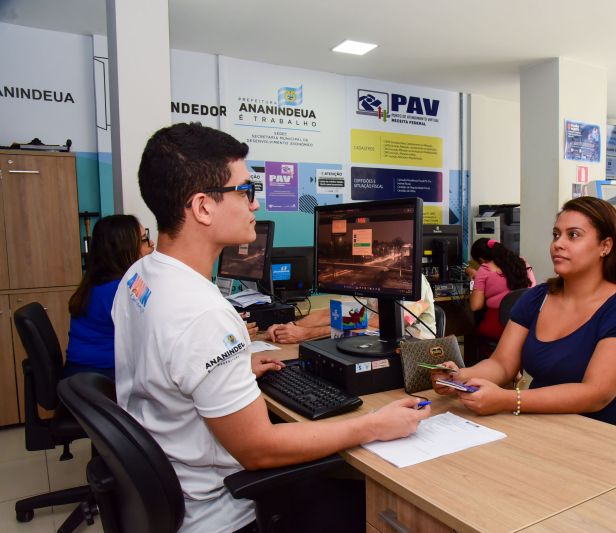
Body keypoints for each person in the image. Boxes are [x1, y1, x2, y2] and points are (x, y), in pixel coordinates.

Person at [112, 123, 429, 533]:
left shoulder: (140, 276)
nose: (254, 204)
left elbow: (163, 369)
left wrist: (231, 370)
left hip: (169, 488)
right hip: (224, 513)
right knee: (379, 505)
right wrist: (373, 424)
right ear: (203, 206)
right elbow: (259, 450)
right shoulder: (202, 313)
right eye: (245, 191)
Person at [430, 196, 616, 432]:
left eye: (573, 235)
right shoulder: (537, 298)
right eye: (556, 235)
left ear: (605, 246)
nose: (558, 244)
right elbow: (503, 364)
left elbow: (596, 394)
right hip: (544, 426)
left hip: (605, 437)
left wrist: (508, 399)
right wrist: (461, 377)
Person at [64, 214, 154, 380]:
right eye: (144, 239)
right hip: (96, 380)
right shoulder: (119, 288)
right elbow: (156, 327)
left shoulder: (100, 282)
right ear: (125, 248)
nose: (152, 244)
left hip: (81, 375)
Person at [265, 275, 437, 344]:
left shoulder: (412, 281)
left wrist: (305, 335)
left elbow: (379, 324)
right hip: (375, 344)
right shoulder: (370, 278)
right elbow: (336, 313)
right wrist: (291, 327)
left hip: (415, 353)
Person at [465, 238, 535, 340]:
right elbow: (532, 288)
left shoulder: (485, 269)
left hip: (499, 325)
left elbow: (475, 306)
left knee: (472, 326)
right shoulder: (522, 263)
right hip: (527, 325)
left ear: (481, 260)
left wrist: (474, 280)